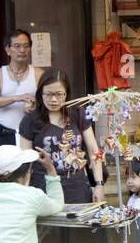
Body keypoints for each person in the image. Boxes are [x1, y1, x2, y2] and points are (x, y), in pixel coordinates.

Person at [17, 70, 104, 205]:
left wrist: (99, 185)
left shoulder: (78, 114)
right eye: (48, 94)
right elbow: (24, 161)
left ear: (66, 93)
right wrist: (24, 192)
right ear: (40, 94)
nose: (53, 100)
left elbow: (94, 150)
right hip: (43, 190)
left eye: (59, 94)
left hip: (78, 189)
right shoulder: (30, 120)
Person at [0, 30, 42, 152]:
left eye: (26, 46)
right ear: (8, 49)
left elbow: (47, 101)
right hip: (4, 134)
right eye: (17, 46)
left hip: (32, 134)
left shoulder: (38, 73)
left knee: (33, 170)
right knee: (4, 171)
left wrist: (35, 104)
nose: (22, 50)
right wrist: (16, 98)